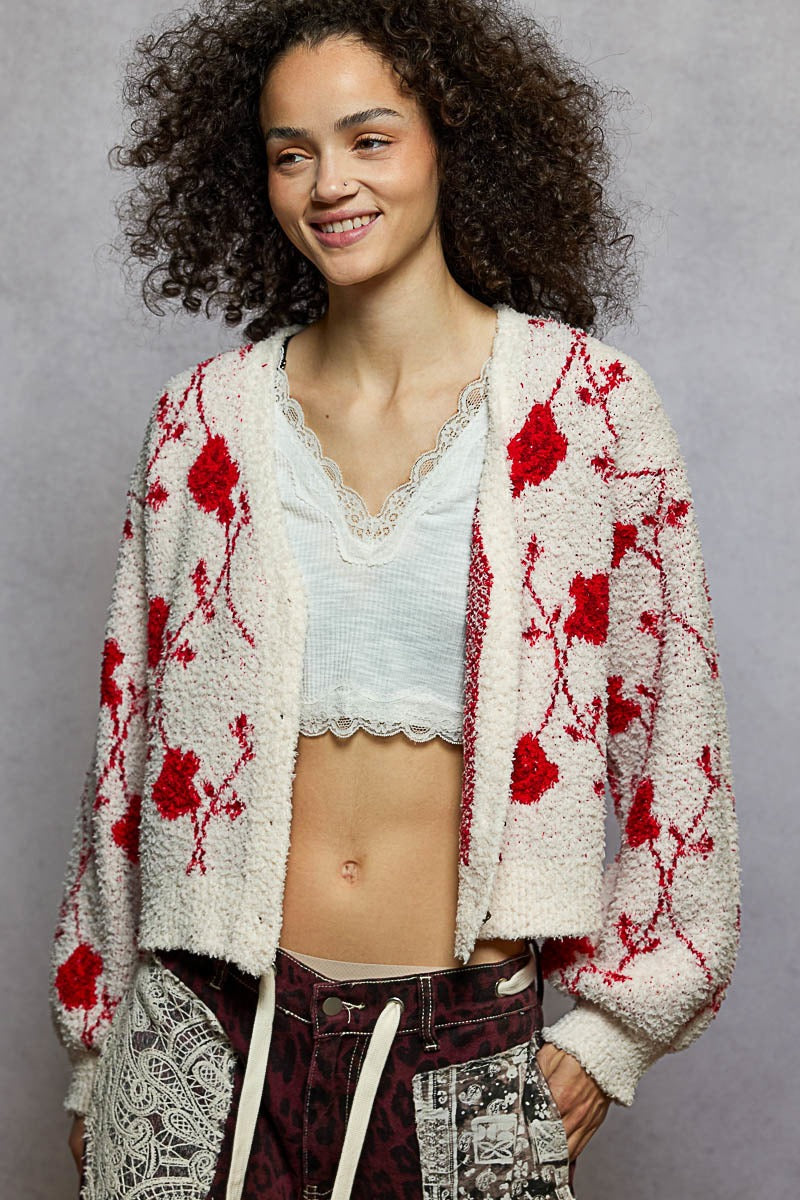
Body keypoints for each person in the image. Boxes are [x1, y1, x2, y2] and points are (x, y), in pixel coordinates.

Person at [49, 2, 741, 1197]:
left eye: (369, 139)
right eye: (290, 151)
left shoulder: (585, 414)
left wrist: (614, 1033)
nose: (328, 184)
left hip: (464, 1049)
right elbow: (126, 756)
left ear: (449, 140)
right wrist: (100, 1046)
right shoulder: (199, 423)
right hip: (198, 1040)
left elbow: (674, 742)